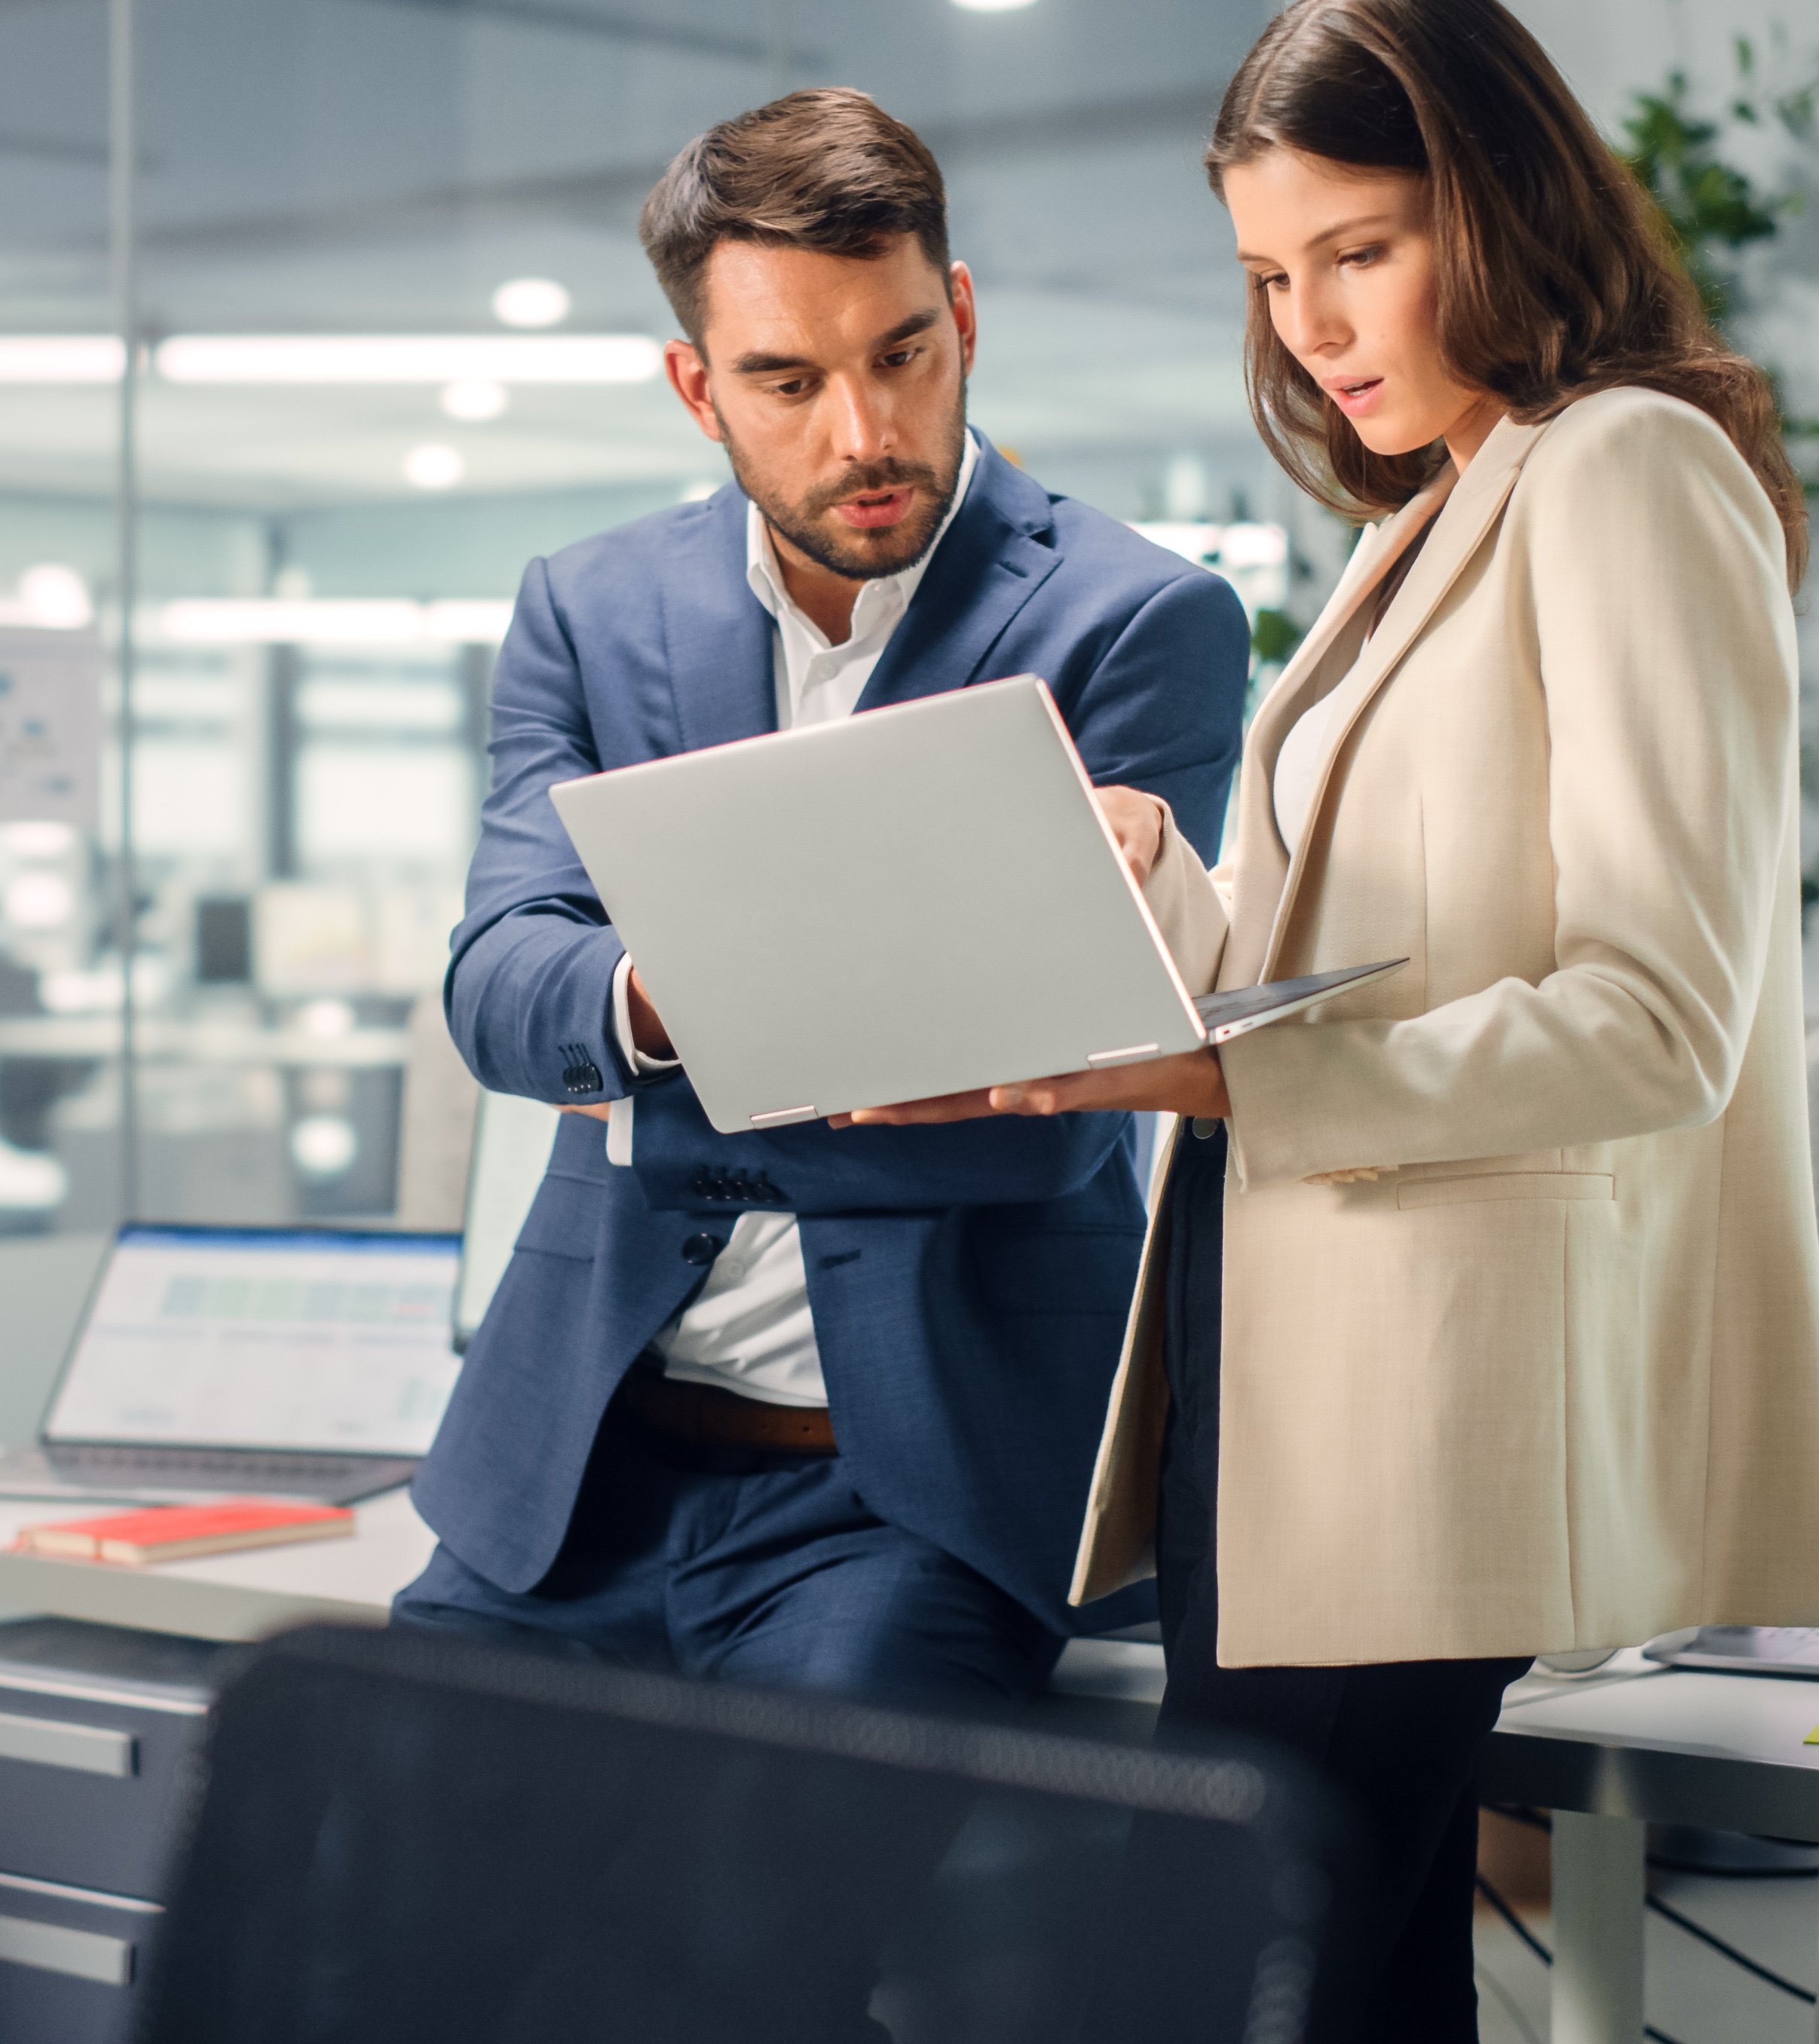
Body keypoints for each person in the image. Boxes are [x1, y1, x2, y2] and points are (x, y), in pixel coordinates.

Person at [854, 0, 1819, 2040]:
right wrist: (1163, 898)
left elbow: (1660, 1024)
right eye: (1268, 271)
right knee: (1357, 1987)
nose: (1308, 322)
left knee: (1224, 1973)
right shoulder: (1430, 513)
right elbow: (1385, 954)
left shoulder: (1625, 473)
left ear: (1490, 204)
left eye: (1358, 253)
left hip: (1427, 1396)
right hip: (1286, 1356)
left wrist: (1217, 1081)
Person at [400, 88, 1251, 1715]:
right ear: (695, 387)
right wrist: (681, 1000)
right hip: (575, 1477)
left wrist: (648, 1092)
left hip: (908, 1504)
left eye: (904, 353)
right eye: (788, 380)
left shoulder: (1134, 622)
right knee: (360, 1932)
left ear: (965, 316)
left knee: (757, 1953)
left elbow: (1047, 1116)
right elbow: (502, 992)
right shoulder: (588, 611)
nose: (865, 430)